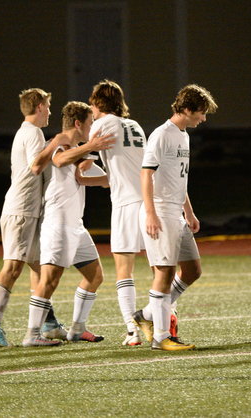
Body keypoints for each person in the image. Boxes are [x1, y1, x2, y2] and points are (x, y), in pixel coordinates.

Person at [0, 88, 69, 347]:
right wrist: (55, 142)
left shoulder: (29, 132)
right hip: (21, 210)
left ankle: (49, 323)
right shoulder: (32, 132)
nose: (50, 112)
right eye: (48, 106)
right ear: (39, 106)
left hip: (29, 211)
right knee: (13, 267)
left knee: (42, 269)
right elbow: (36, 165)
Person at [22, 101, 115, 346]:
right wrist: (91, 146)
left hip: (75, 225)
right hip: (58, 224)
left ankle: (77, 329)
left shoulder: (76, 150)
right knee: (49, 281)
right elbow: (60, 161)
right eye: (90, 123)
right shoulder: (59, 143)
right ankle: (32, 335)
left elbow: (93, 179)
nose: (93, 128)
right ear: (78, 124)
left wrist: (119, 174)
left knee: (95, 276)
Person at [133, 84, 217, 351]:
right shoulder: (162, 134)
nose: (203, 118)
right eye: (201, 112)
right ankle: (160, 337)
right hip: (160, 212)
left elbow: (178, 179)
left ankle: (148, 313)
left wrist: (188, 212)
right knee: (165, 272)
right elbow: (146, 174)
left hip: (176, 214)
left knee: (193, 270)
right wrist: (150, 213)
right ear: (187, 109)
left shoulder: (184, 135)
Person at [84, 80, 147, 346]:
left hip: (125, 204)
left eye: (92, 104)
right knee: (161, 268)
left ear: (98, 103)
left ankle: (133, 330)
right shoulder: (135, 126)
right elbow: (123, 170)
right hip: (149, 201)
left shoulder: (101, 124)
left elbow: (81, 153)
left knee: (124, 270)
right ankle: (161, 320)